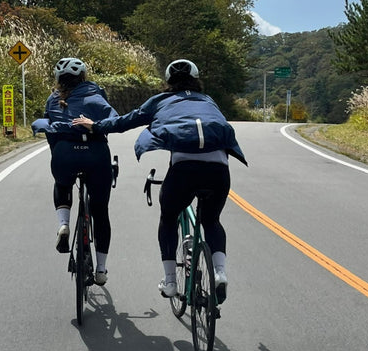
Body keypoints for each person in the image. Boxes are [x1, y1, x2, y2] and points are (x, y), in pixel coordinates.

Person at [72, 59, 247, 303]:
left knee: (168, 218)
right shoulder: (208, 101)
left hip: (184, 168)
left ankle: (171, 281)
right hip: (219, 168)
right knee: (211, 220)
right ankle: (219, 272)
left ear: (168, 81)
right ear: (196, 80)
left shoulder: (160, 101)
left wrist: (95, 126)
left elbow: (125, 122)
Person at [32, 57, 119, 285]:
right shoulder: (96, 95)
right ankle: (101, 269)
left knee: (62, 183)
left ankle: (64, 224)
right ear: (83, 77)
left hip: (65, 154)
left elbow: (50, 132)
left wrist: (59, 154)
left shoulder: (53, 99)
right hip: (96, 155)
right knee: (100, 211)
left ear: (58, 78)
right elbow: (111, 121)